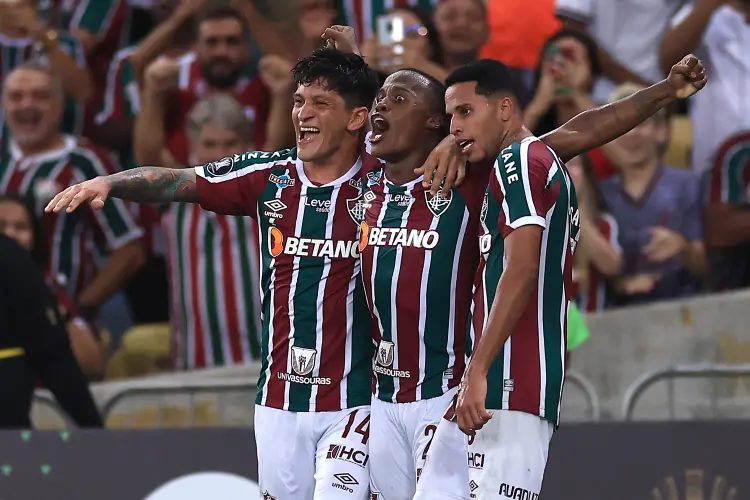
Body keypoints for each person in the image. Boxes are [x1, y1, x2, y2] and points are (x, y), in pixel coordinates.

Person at [46, 47, 464, 499]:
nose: (303, 113)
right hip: (277, 402)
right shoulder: (268, 177)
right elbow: (174, 180)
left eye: (320, 104)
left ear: (357, 118)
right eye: (299, 101)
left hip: (355, 402)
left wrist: (451, 141)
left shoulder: (386, 180)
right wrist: (109, 182)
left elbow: (454, 140)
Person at [413, 54, 707, 500]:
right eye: (451, 115)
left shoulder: (517, 164)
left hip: (507, 386)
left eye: (465, 112)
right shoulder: (536, 157)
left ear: (506, 110)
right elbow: (586, 129)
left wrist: (478, 370)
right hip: (499, 386)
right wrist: (665, 91)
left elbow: (523, 267)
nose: (453, 127)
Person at [0, 63, 145, 320]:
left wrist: (77, 310)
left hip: (62, 320)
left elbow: (128, 251)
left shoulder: (85, 162)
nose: (27, 105)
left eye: (40, 96)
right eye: (16, 97)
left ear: (59, 106)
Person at [0, 232, 102, 429]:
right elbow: (52, 355)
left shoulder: (9, 258)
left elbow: (53, 355)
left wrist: (94, 430)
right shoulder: (9, 257)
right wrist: (95, 431)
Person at [0, 195, 105, 380]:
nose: (10, 235)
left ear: (33, 239)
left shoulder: (48, 288)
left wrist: (52, 310)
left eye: (21, 227)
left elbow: (93, 366)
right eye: (1, 226)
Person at [566, 153, 621, 312]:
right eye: (559, 164)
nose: (565, 170)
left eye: (574, 164)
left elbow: (612, 267)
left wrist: (576, 212)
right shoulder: (535, 224)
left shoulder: (603, 224)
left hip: (594, 328)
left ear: (586, 175)